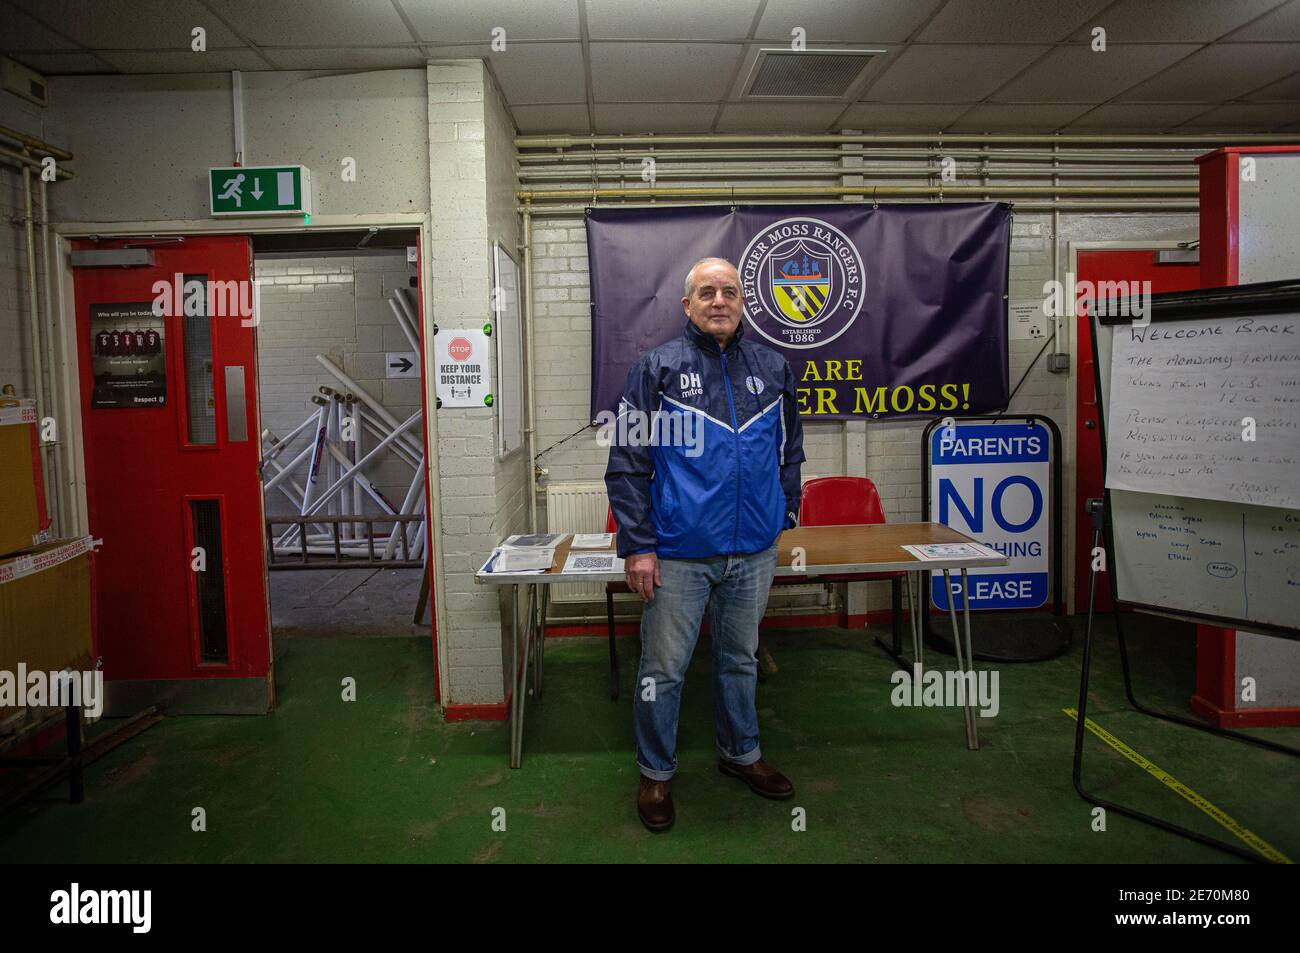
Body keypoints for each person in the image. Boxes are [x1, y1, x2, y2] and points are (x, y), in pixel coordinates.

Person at [604, 256, 805, 832]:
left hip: (753, 553)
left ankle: (740, 754)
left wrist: (785, 509)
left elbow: (790, 449)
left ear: (743, 302)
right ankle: (655, 773)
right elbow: (627, 465)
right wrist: (638, 546)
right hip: (678, 553)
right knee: (664, 669)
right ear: (687, 305)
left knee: (739, 660)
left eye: (730, 292)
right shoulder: (656, 369)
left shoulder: (772, 367)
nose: (720, 300)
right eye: (707, 292)